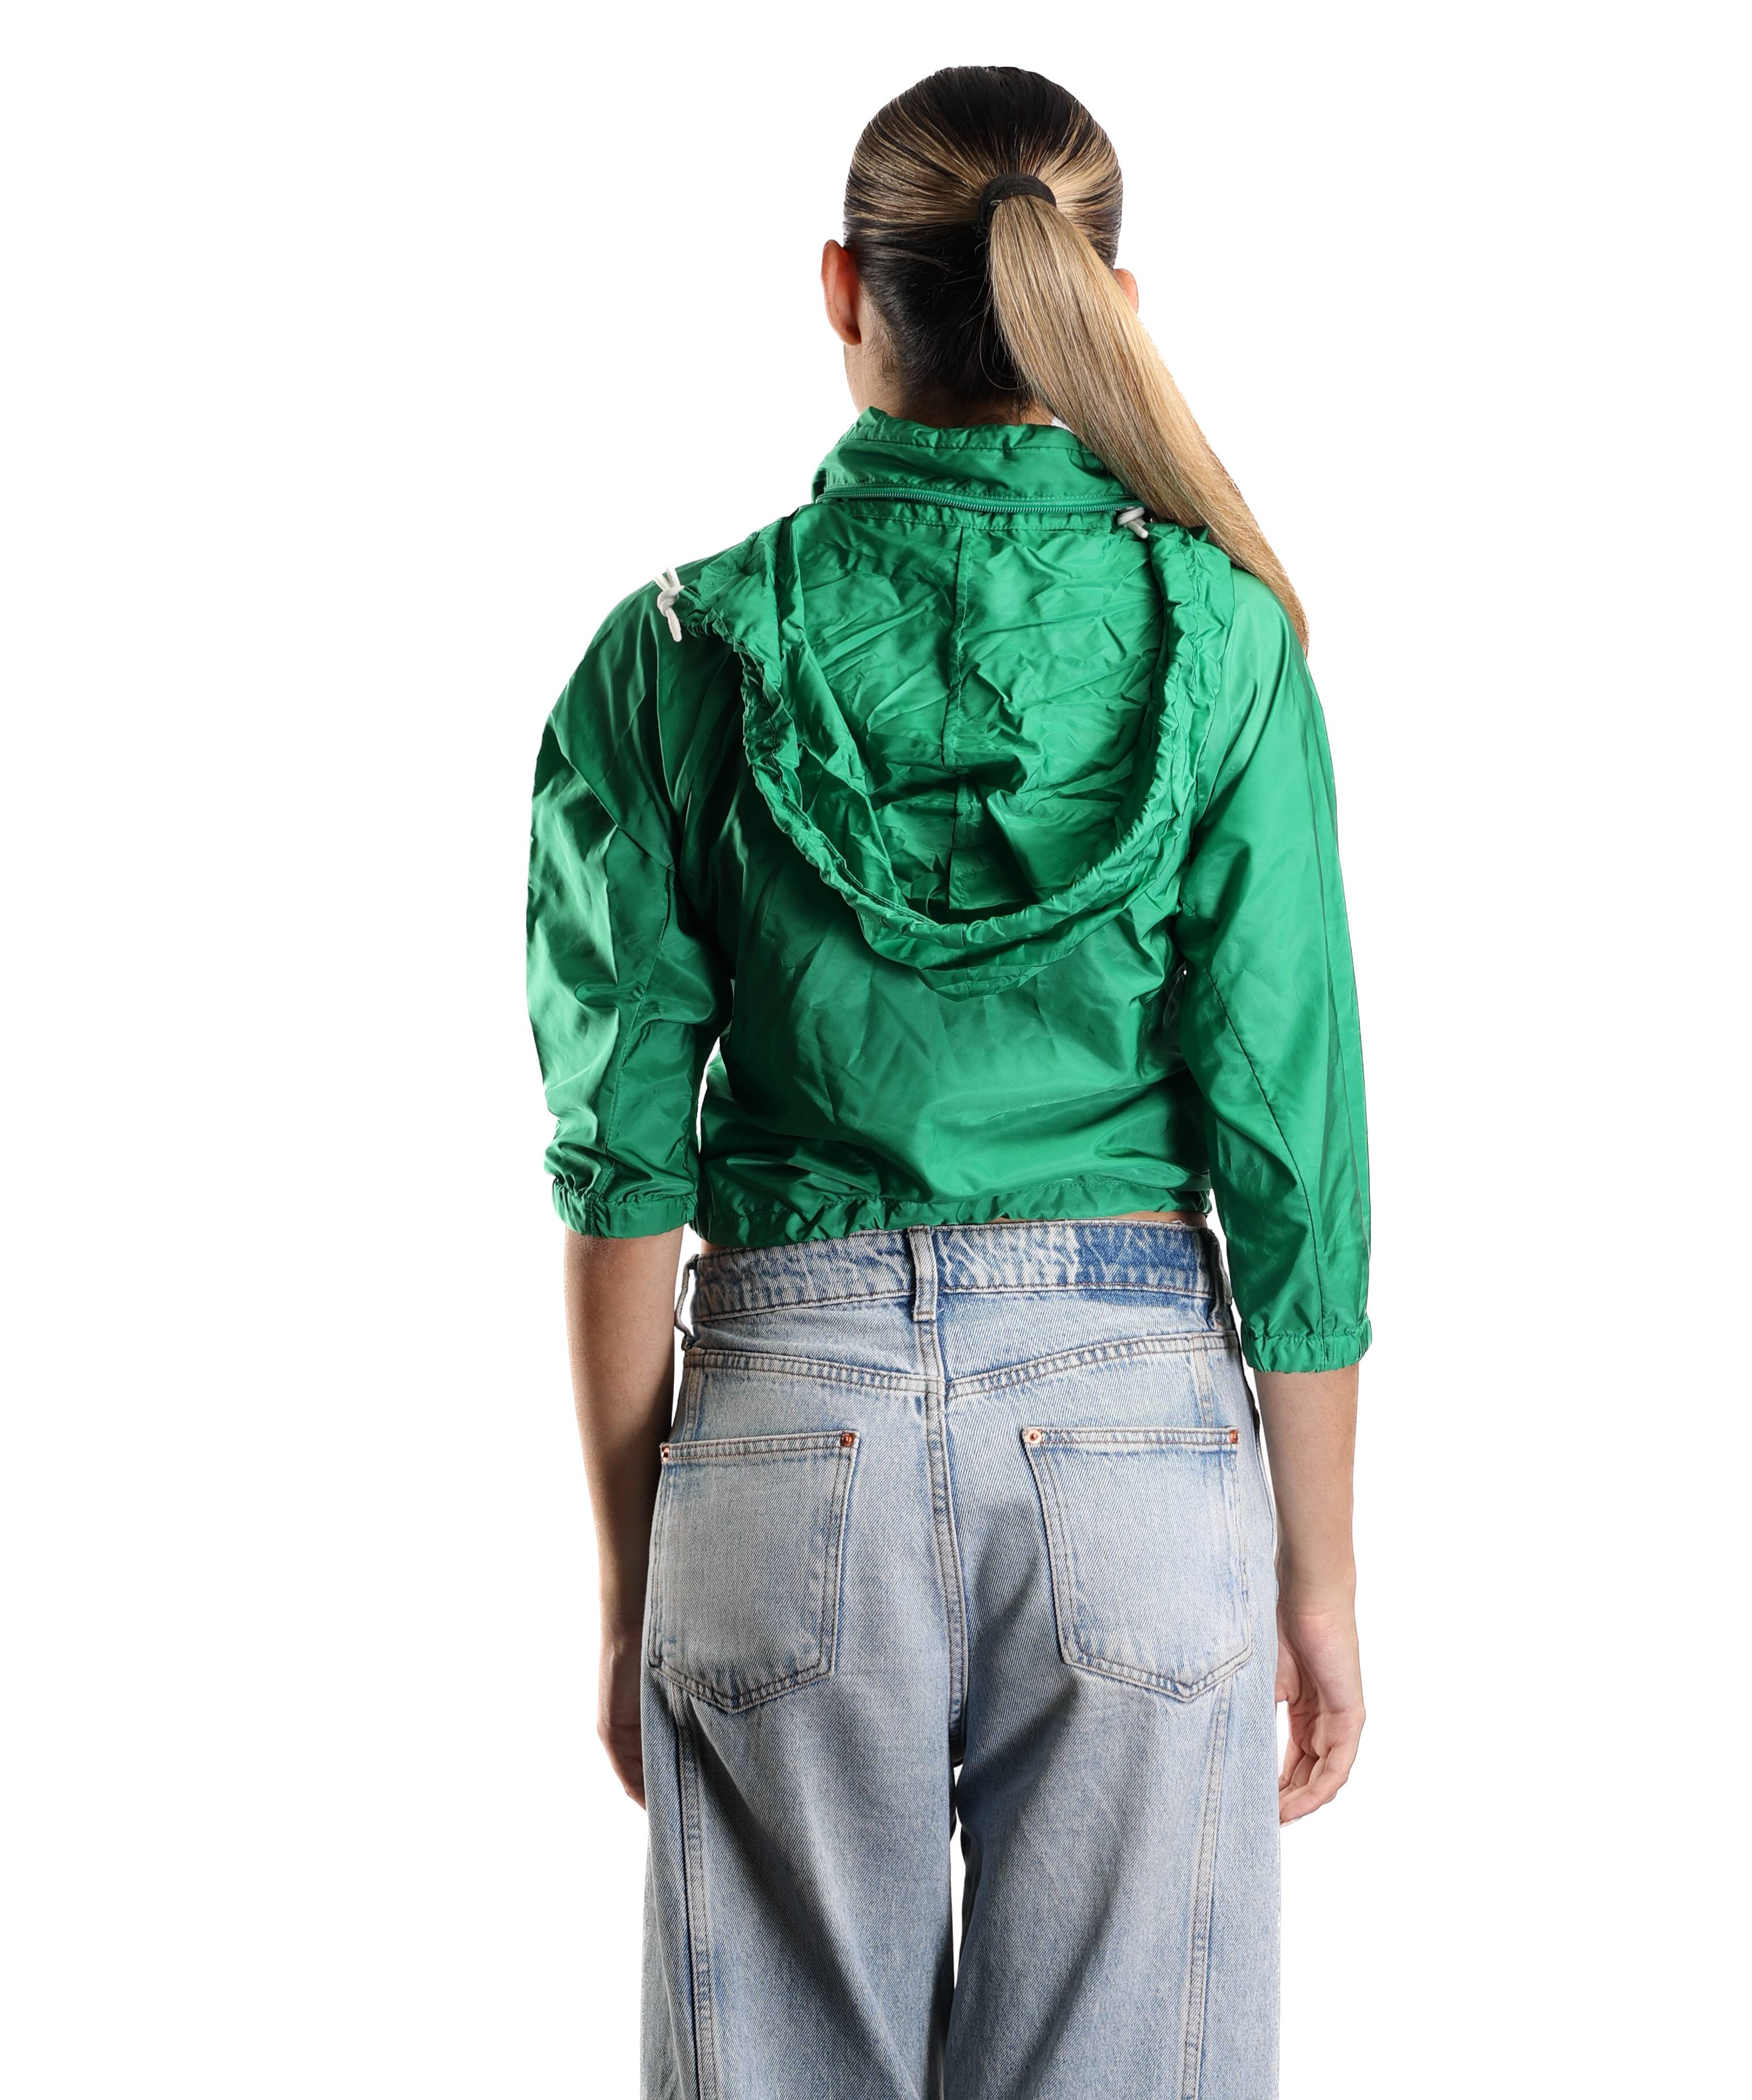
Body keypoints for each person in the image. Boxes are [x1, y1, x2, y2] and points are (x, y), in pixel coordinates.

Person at [526, 64, 1370, 2100]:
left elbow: (622, 1162)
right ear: (1112, 304)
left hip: (779, 1428)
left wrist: (637, 1571)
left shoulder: (675, 651)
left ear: (843, 288)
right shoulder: (1223, 640)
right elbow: (1293, 1143)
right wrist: (1322, 1572)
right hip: (1138, 1438)